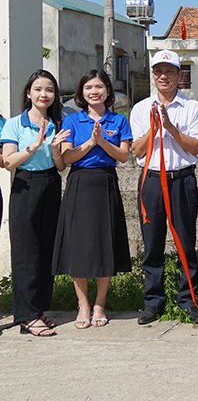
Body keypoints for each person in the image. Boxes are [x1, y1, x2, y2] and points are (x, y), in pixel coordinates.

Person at [130, 50, 198, 325]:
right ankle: (153, 302)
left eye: (170, 71)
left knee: (185, 242)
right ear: (153, 75)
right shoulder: (141, 108)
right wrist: (153, 127)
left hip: (182, 180)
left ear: (178, 75)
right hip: (151, 181)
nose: (164, 76)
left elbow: (195, 146)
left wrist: (170, 127)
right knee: (152, 244)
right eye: (159, 71)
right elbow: (137, 151)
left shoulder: (192, 107)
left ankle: (188, 300)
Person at [52, 69, 133, 329]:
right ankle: (83, 304)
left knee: (104, 243)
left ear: (108, 91)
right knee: (80, 245)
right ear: (81, 93)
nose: (94, 91)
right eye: (88, 87)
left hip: (106, 182)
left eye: (99, 86)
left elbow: (123, 156)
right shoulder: (72, 121)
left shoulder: (119, 121)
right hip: (79, 183)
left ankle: (100, 303)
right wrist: (90, 142)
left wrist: (102, 142)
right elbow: (66, 158)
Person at [0, 70, 70, 336]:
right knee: (26, 252)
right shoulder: (14, 124)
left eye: (50, 89)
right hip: (26, 185)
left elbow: (61, 165)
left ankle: (39, 310)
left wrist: (53, 149)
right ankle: (26, 316)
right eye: (38, 89)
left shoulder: (59, 123)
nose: (44, 94)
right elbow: (8, 163)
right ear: (28, 93)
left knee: (46, 250)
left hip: (51, 183)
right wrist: (35, 144)